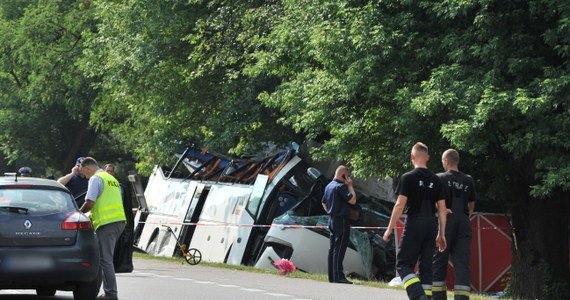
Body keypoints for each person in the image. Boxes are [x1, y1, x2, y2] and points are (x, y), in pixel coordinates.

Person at [383, 142, 448, 300]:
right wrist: (441, 234)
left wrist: (390, 228)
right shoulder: (436, 179)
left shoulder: (408, 177)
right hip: (431, 225)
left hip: (415, 222)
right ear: (427, 157)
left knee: (403, 264)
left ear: (412, 157)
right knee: (426, 267)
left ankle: (419, 296)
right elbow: (442, 208)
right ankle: (425, 295)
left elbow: (400, 205)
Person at [79, 157, 126, 300]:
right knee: (104, 258)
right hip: (118, 221)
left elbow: (90, 202)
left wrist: (78, 213)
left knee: (105, 259)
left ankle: (111, 294)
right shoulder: (112, 179)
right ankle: (101, 291)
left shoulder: (95, 179)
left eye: (84, 173)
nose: (85, 177)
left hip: (107, 223)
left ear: (87, 168)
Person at [432, 149, 476, 300]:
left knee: (439, 260)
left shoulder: (439, 178)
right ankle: (462, 298)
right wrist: (463, 217)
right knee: (462, 263)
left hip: (445, 223)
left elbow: (435, 203)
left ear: (446, 161)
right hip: (463, 223)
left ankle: (438, 297)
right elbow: (471, 206)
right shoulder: (468, 179)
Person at [321, 165, 357, 284]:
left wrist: (331, 212)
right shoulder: (341, 187)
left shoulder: (328, 186)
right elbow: (352, 200)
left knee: (332, 248)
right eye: (347, 176)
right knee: (340, 249)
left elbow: (324, 203)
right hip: (341, 220)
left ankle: (332, 276)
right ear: (344, 176)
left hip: (331, 219)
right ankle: (339, 276)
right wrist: (350, 185)